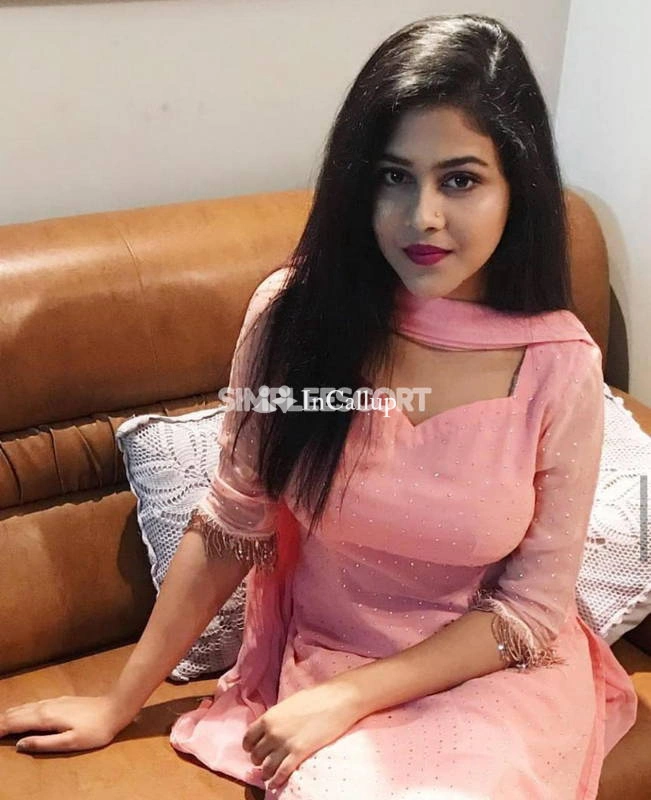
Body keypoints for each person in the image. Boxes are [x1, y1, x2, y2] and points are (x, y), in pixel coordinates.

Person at [0, 12, 638, 799]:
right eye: (392, 176)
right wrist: (116, 703)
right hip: (329, 655)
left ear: (518, 188)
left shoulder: (559, 364)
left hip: (486, 675)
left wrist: (348, 700)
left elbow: (530, 614)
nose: (422, 216)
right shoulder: (295, 320)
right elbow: (231, 525)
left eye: (460, 179)